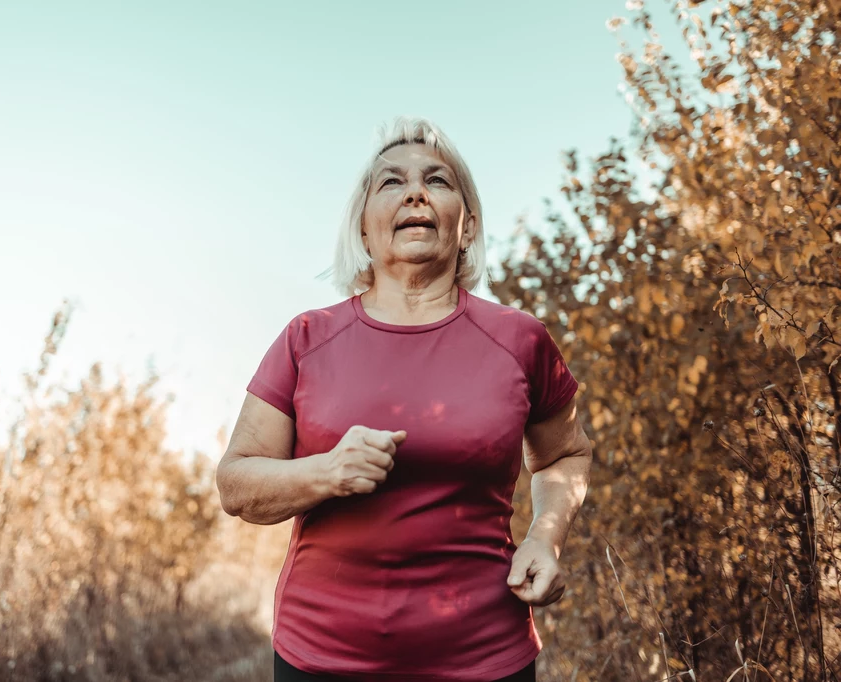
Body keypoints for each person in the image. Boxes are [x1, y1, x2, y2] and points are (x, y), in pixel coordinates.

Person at [216, 117, 592, 682]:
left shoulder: (520, 340)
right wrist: (326, 473)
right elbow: (237, 484)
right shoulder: (306, 339)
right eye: (390, 182)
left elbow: (565, 455)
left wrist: (545, 536)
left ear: (467, 227)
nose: (415, 191)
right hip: (320, 658)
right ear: (363, 230)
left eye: (437, 180)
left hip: (485, 659)